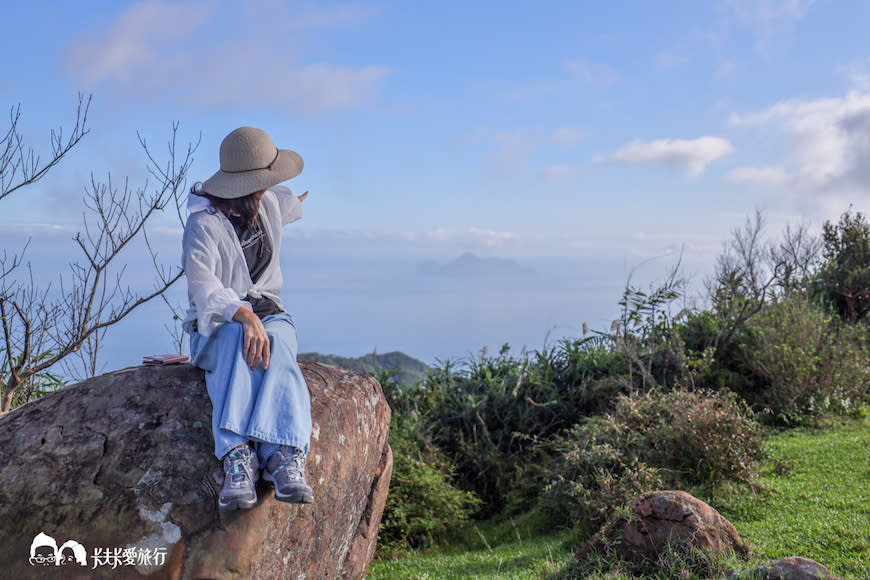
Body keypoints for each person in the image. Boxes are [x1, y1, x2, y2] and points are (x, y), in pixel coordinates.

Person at [181, 126, 313, 510]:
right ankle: (237, 454)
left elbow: (289, 201)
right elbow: (202, 285)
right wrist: (243, 316)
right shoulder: (203, 225)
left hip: (270, 310)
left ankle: (283, 454)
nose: (267, 189)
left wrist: (299, 200)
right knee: (237, 343)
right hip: (218, 325)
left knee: (281, 345)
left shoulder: (270, 202)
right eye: (262, 182)